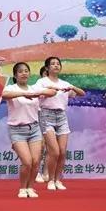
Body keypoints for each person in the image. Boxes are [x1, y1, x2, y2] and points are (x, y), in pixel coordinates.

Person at [1, 63, 56, 198]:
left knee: (35, 161)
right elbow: (4, 95)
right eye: (20, 71)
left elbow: (52, 92)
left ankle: (30, 187)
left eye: (26, 71)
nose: (24, 73)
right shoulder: (11, 88)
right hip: (17, 130)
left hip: (34, 129)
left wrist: (37, 93)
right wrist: (24, 94)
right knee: (27, 161)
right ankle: (22, 188)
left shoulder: (34, 88)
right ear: (15, 75)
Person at [34, 56, 85, 191]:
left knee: (62, 152)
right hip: (46, 115)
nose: (56, 65)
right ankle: (50, 180)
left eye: (58, 64)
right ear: (47, 68)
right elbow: (35, 92)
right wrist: (50, 88)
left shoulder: (64, 83)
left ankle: (58, 180)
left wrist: (72, 87)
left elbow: (82, 93)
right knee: (54, 151)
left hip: (61, 116)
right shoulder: (42, 81)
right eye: (53, 64)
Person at [35, 65, 50, 183]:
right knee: (40, 146)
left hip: (53, 117)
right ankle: (36, 172)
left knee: (51, 146)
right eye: (46, 74)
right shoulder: (37, 86)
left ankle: (46, 172)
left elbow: (73, 94)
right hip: (39, 115)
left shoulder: (57, 86)